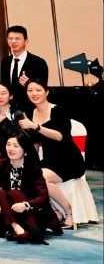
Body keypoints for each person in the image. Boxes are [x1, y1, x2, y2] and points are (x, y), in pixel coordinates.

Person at [18, 78, 87, 226]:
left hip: (69, 159)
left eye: (38, 90)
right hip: (49, 159)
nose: (34, 93)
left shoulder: (59, 111)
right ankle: (55, 212)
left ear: (47, 92)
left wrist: (36, 126)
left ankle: (68, 211)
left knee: (41, 178)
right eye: (30, 90)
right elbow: (34, 142)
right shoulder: (29, 113)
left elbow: (60, 137)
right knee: (28, 175)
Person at [0, 135, 55, 243]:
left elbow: (43, 196)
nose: (10, 149)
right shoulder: (1, 164)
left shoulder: (33, 167)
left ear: (25, 149)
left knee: (14, 193)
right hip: (10, 209)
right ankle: (17, 227)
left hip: (30, 211)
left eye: (15, 146)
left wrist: (26, 205)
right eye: (8, 145)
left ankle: (24, 228)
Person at [0, 26, 48, 112]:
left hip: (31, 109)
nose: (13, 41)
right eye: (10, 38)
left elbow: (43, 88)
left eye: (17, 38)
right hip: (10, 109)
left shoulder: (38, 62)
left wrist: (28, 84)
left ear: (26, 41)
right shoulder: (5, 62)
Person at [0, 83, 23, 162]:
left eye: (3, 93)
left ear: (11, 96)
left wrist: (6, 123)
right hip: (0, 157)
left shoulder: (18, 114)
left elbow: (21, 138)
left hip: (18, 156)